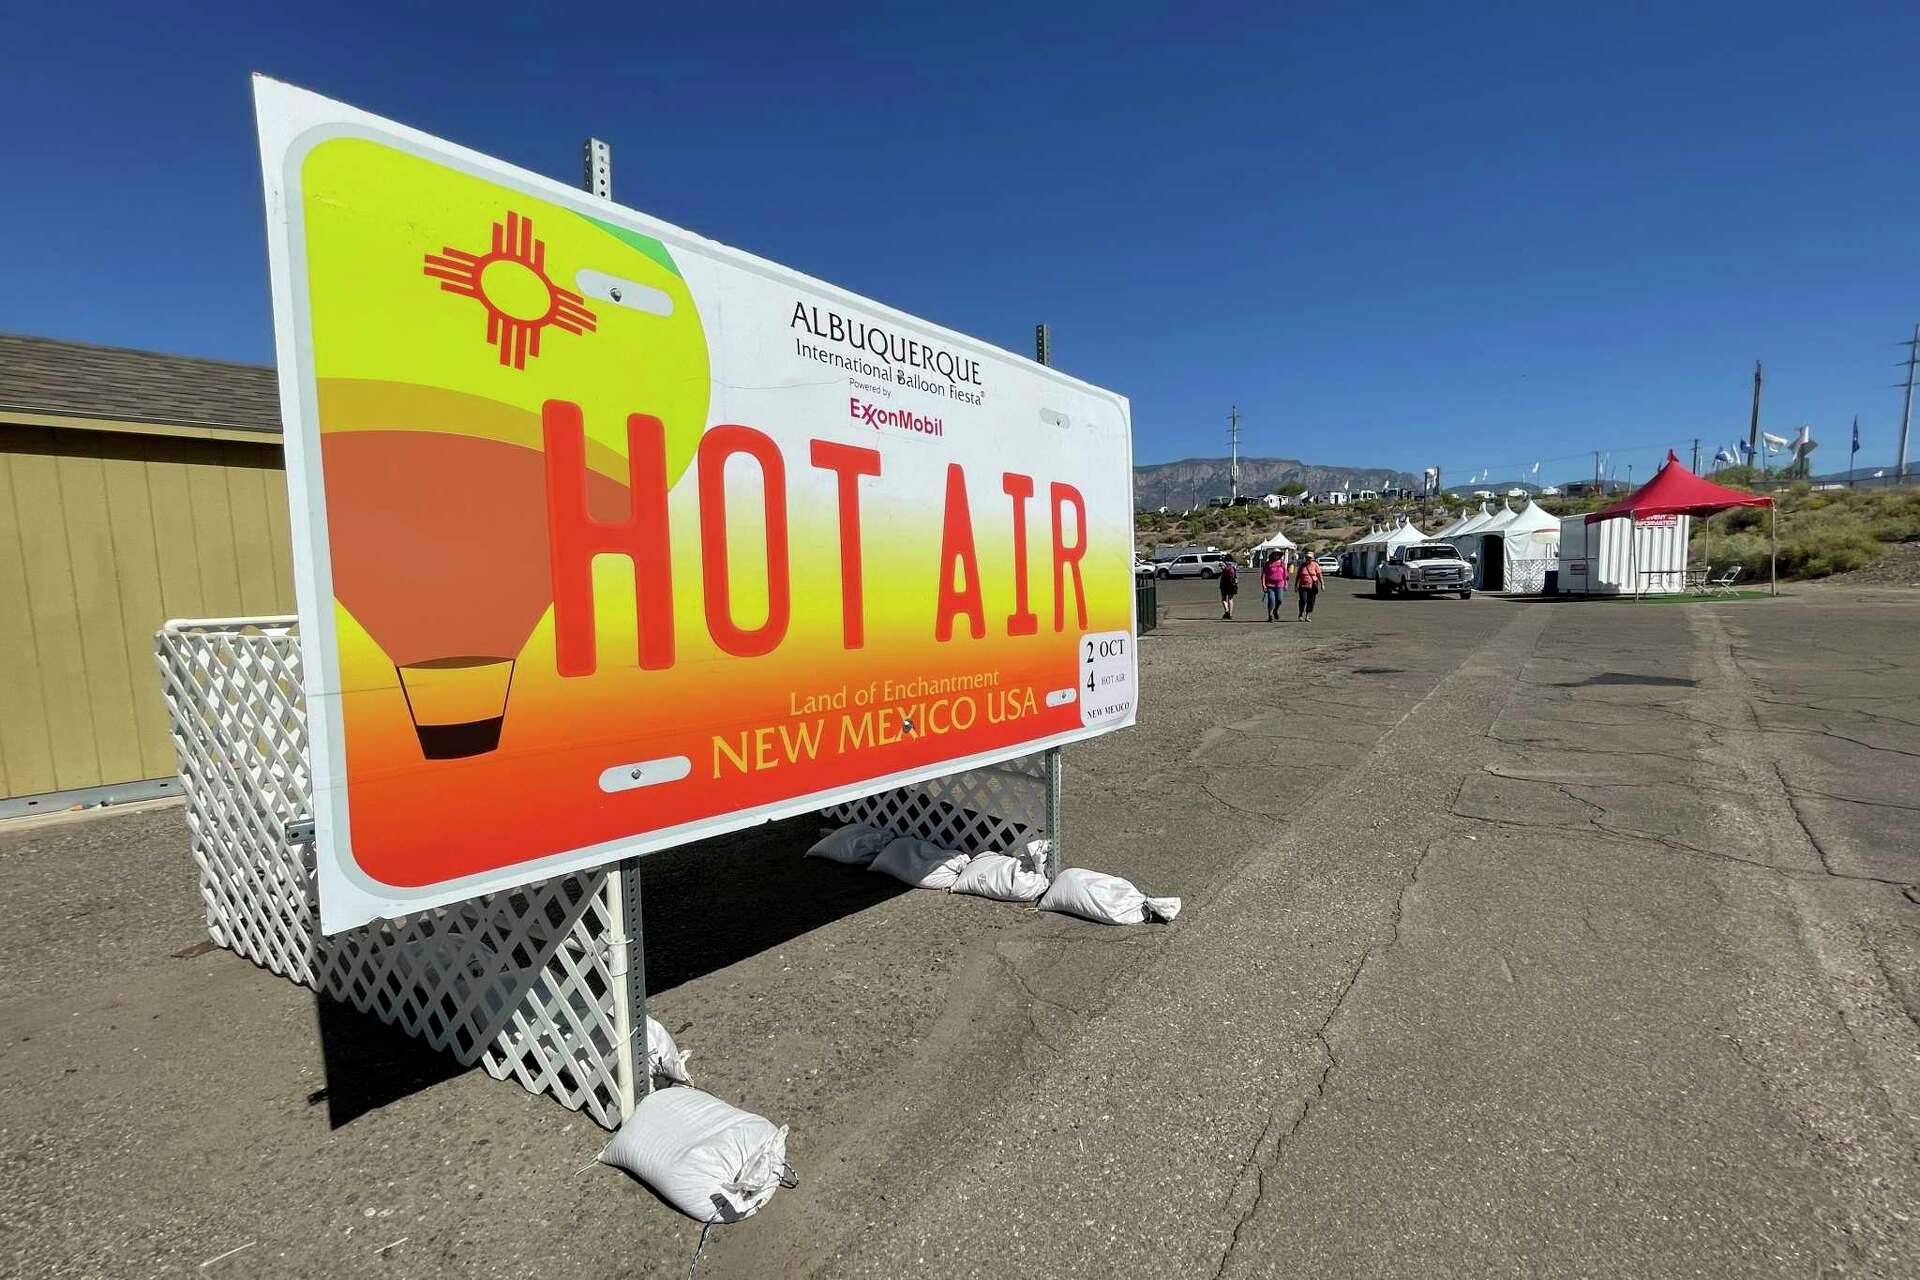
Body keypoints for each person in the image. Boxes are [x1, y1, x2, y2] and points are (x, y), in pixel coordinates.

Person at [1294, 550, 1323, 621]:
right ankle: (1300, 614)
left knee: (1311, 601)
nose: (1308, 559)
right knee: (1303, 600)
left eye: (1309, 558)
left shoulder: (1315, 565)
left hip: (1313, 585)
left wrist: (1322, 584)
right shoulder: (1302, 566)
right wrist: (1296, 585)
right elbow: (1298, 576)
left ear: (1312, 558)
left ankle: (1307, 616)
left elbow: (1319, 575)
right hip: (1303, 586)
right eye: (1307, 557)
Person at [1261, 552, 1287, 622]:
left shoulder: (1282, 563)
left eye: (1278, 554)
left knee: (1279, 600)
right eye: (1275, 554)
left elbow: (1285, 574)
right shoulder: (1268, 563)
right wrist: (1263, 584)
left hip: (1280, 584)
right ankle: (1270, 615)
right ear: (1272, 555)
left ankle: (1275, 610)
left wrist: (1286, 583)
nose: (1276, 555)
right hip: (1270, 585)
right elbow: (1263, 574)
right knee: (1271, 600)